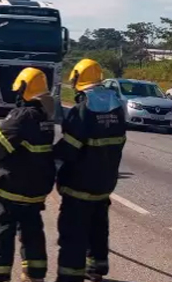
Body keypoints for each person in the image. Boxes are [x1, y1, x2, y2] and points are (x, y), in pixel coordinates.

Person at [0, 67, 57, 282]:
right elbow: (25, 141)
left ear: (23, 90)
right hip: (35, 191)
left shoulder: (21, 115)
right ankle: (34, 276)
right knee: (32, 234)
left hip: (12, 190)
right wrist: (3, 128)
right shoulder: (45, 117)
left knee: (1, 233)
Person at [54, 59, 127, 282]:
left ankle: (69, 276)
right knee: (98, 228)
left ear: (78, 78)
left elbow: (70, 149)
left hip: (79, 185)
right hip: (104, 183)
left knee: (73, 235)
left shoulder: (82, 109)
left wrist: (48, 155)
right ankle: (97, 268)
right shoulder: (116, 106)